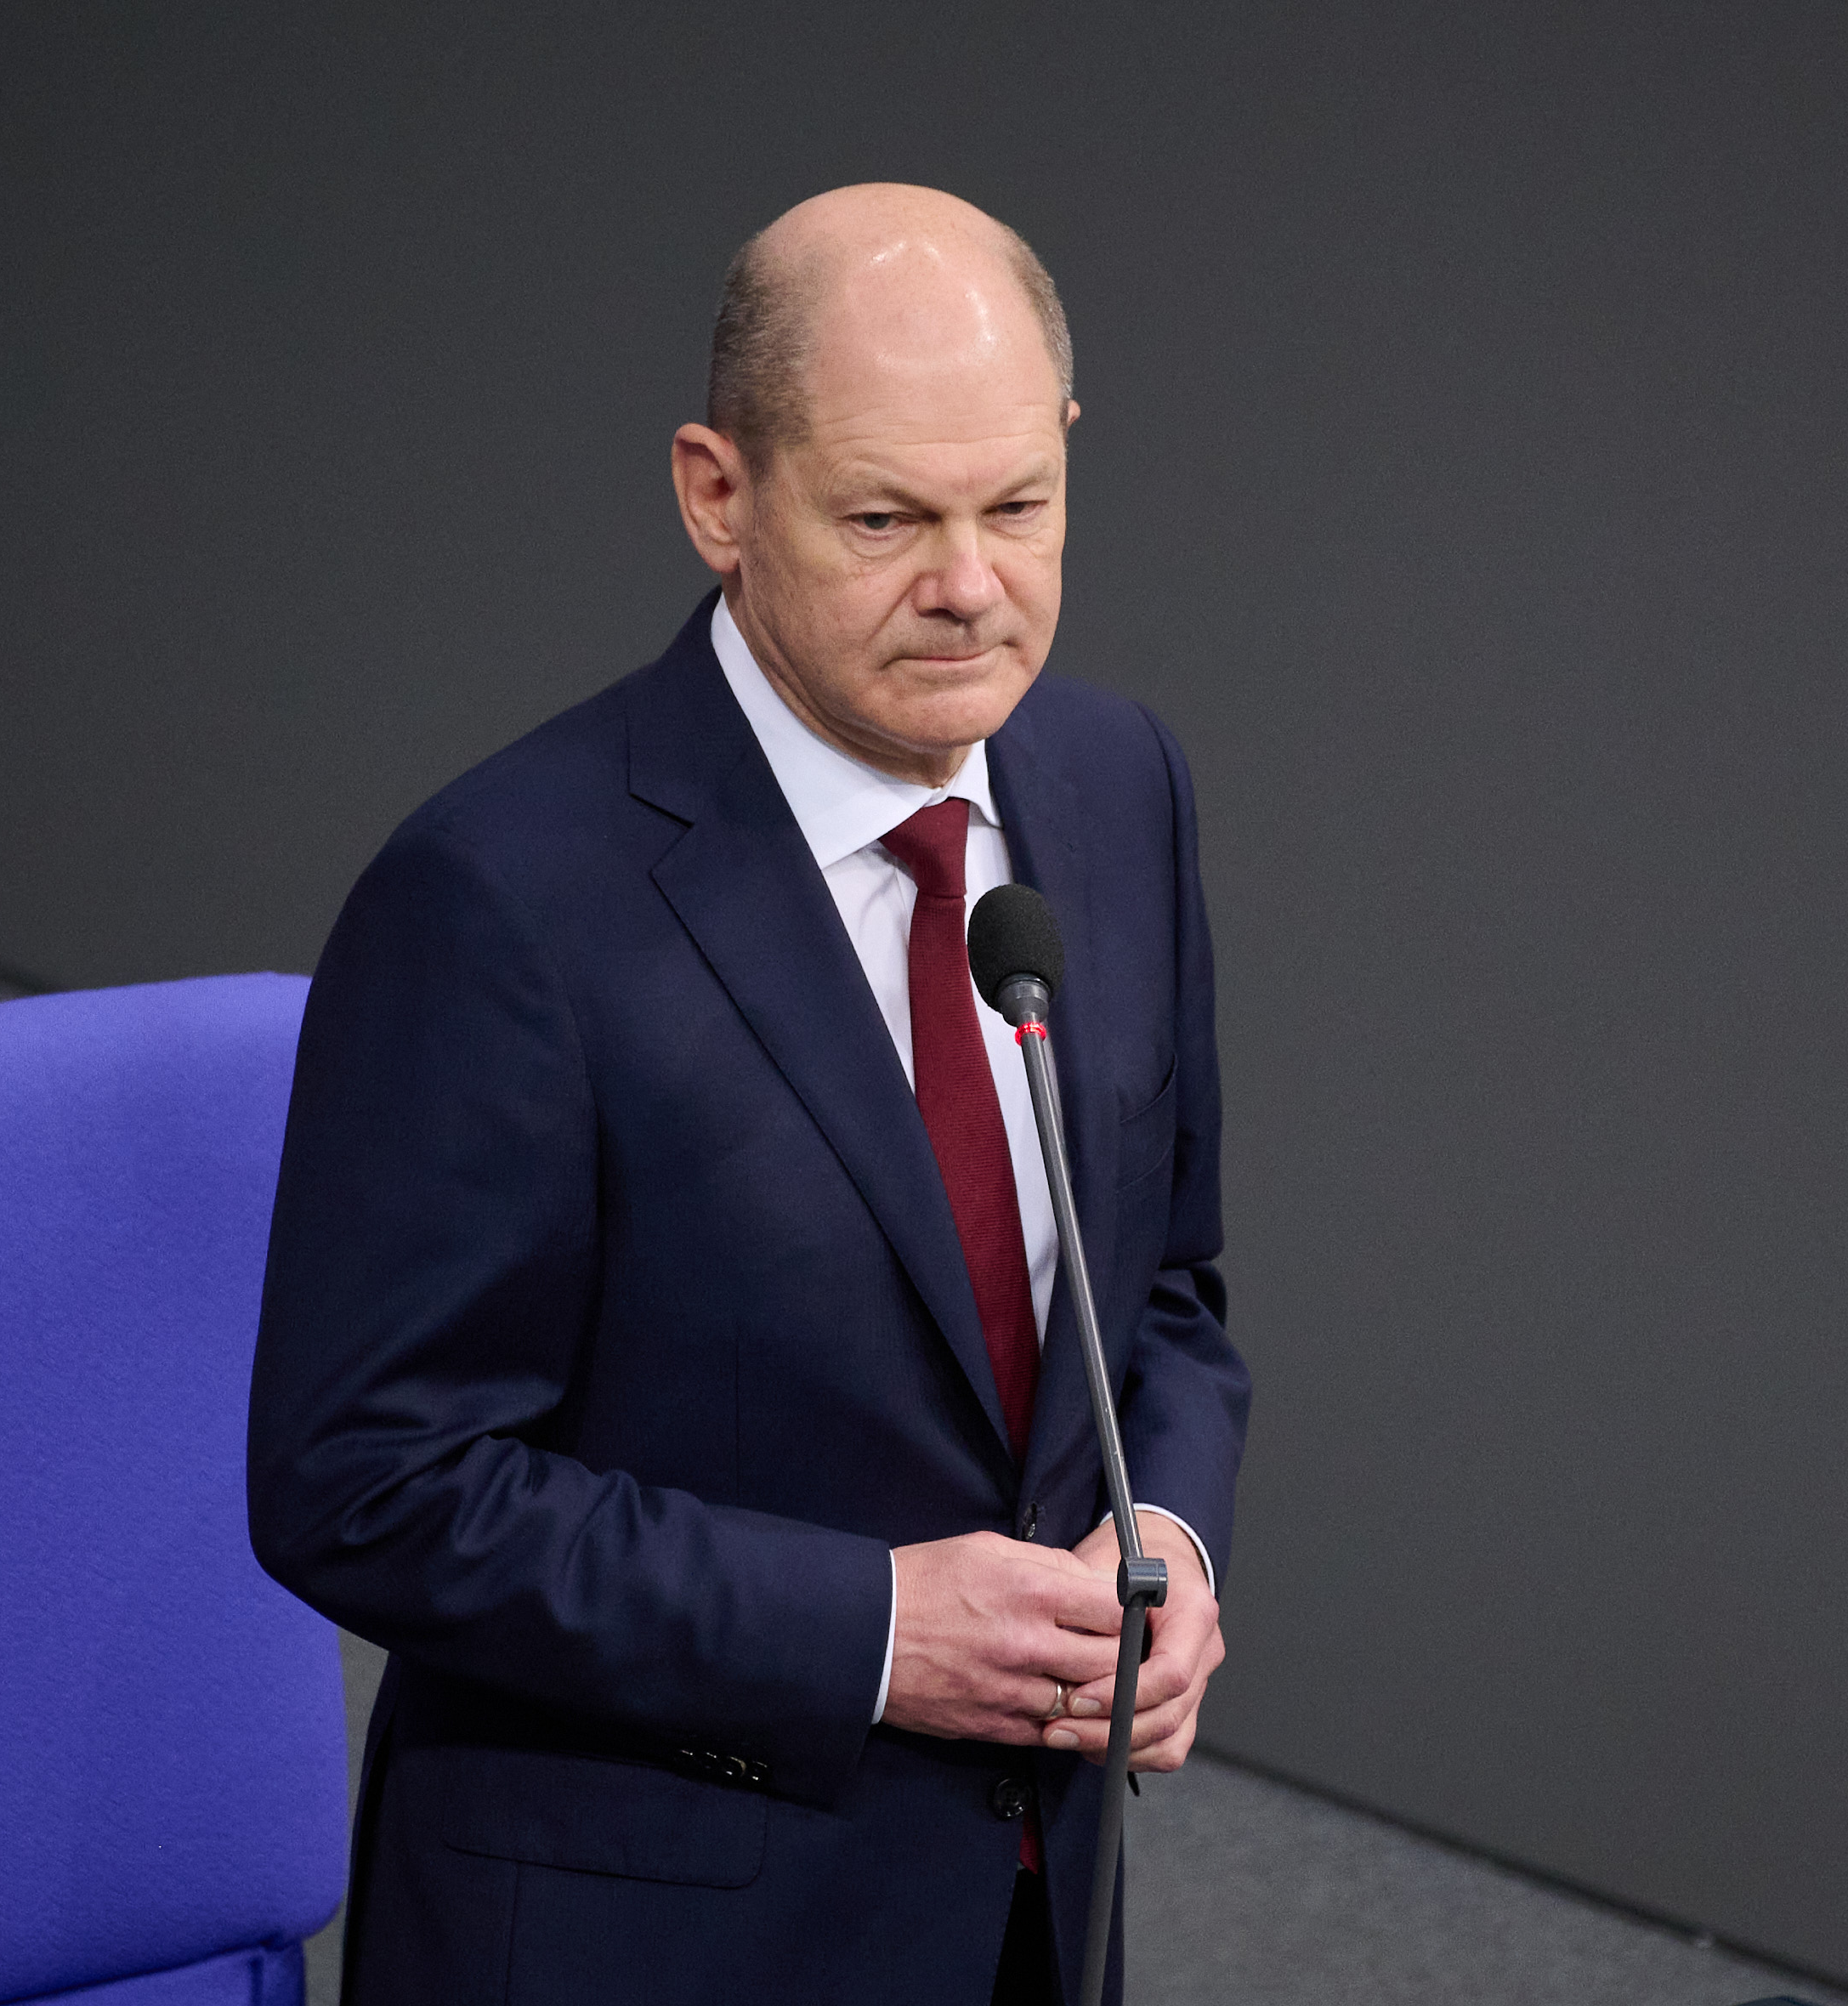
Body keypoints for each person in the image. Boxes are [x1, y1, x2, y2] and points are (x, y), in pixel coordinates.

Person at [248, 183, 1249, 2004]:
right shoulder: (502, 899)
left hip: (1025, 1905)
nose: (970, 584)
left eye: (1018, 506)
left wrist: (1162, 1540)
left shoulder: (1116, 789)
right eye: (885, 517)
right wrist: (868, 1630)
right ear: (718, 492)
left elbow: (1164, 1297)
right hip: (646, 1918)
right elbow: (364, 1483)